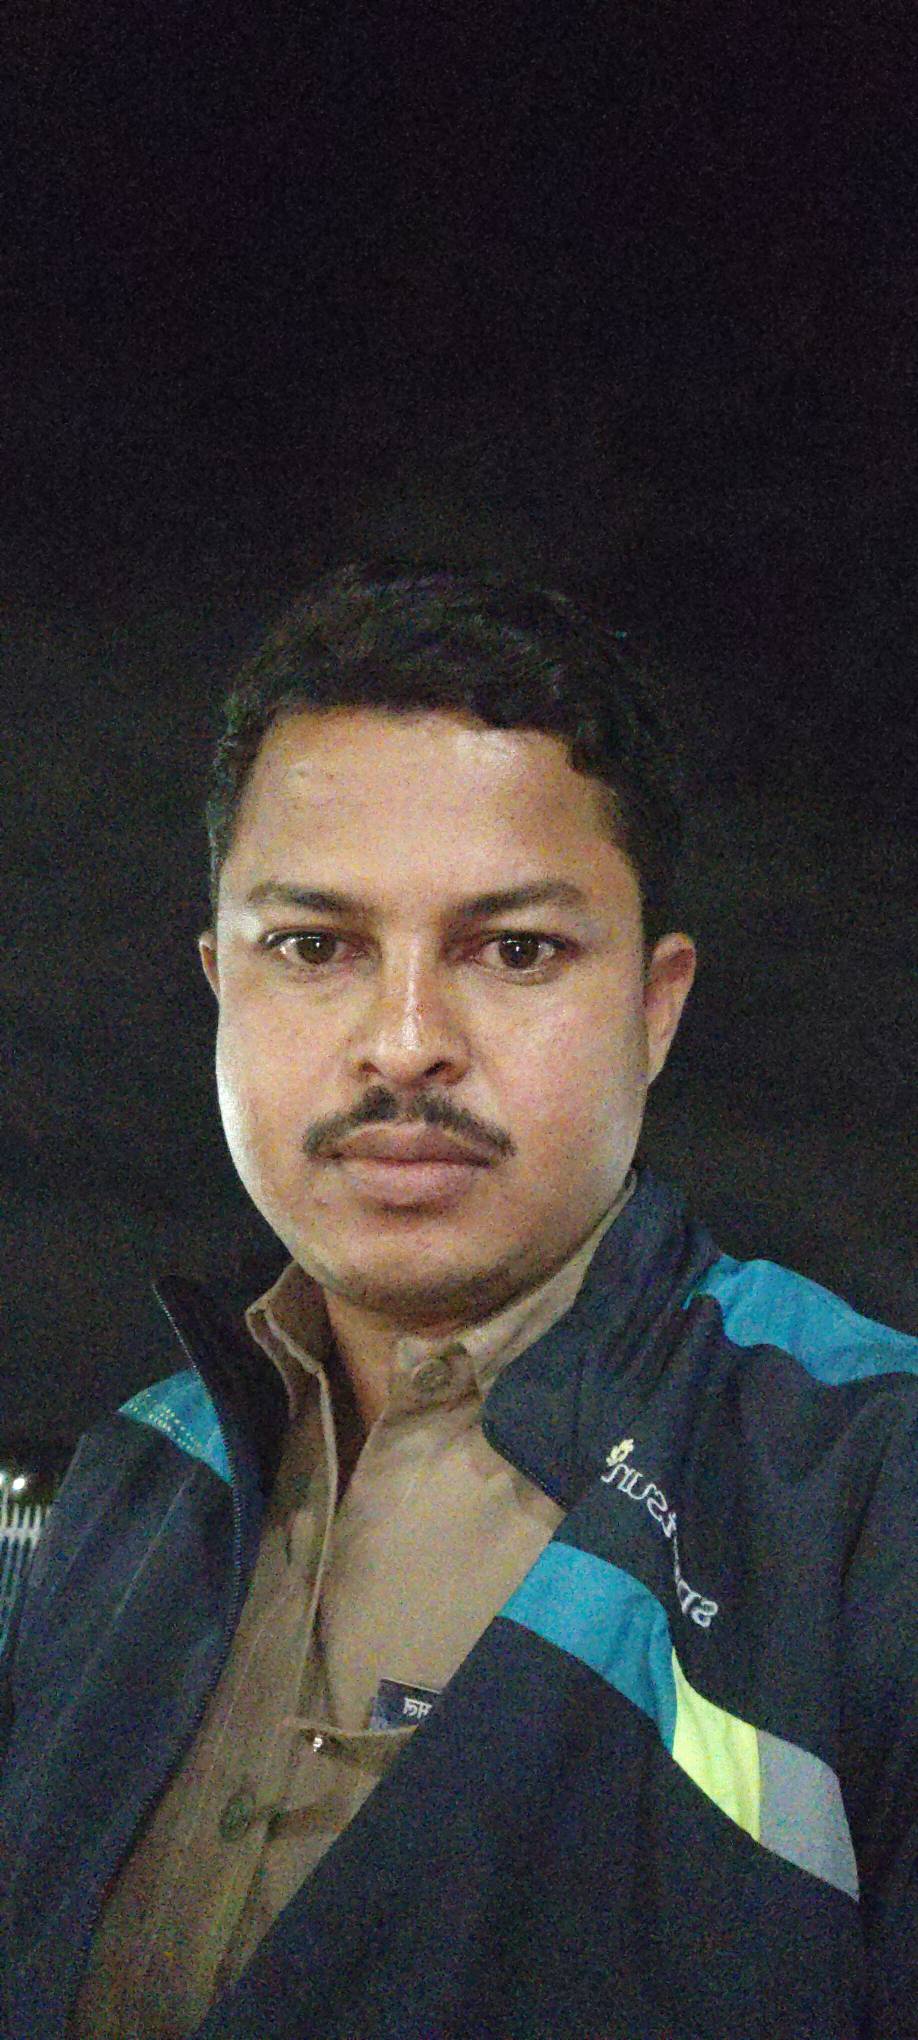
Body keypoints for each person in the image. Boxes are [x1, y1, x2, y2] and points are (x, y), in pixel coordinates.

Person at [0, 564, 915, 2040]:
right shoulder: (136, 1476)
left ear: (655, 1007)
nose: (407, 1041)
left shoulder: (865, 1500)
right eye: (314, 946)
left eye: (515, 949)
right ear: (221, 987)